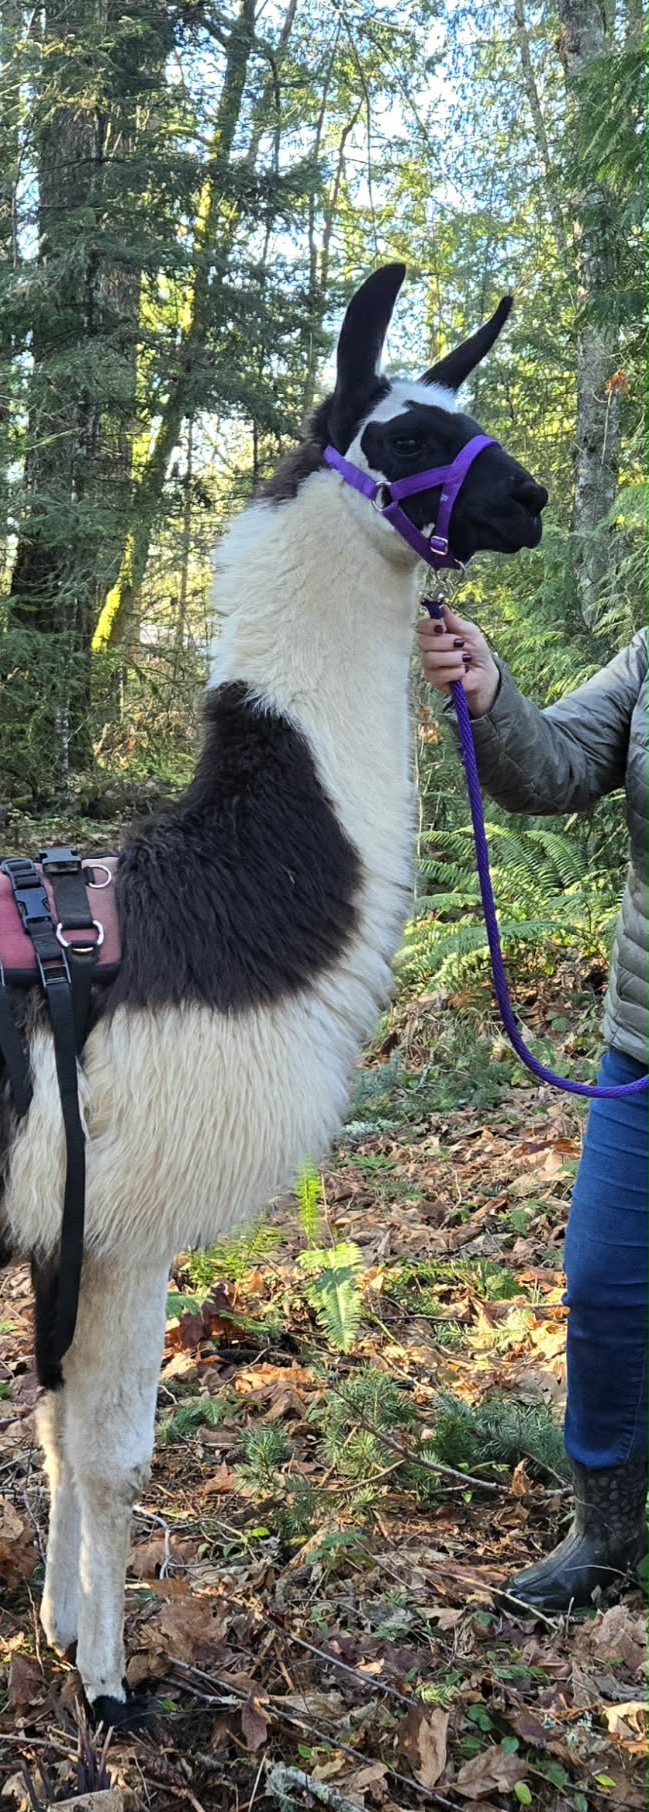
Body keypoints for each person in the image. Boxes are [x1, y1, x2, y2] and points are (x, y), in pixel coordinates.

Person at [416, 608, 649, 1614]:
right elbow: (556, 765)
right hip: (643, 1047)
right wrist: (488, 694)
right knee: (605, 1284)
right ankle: (609, 1529)